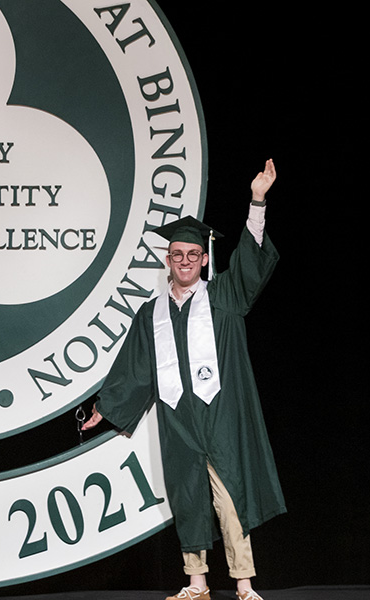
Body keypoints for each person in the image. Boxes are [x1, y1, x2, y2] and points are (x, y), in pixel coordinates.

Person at [81, 160, 283, 600]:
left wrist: (258, 202)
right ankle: (197, 583)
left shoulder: (224, 297)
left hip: (221, 417)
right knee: (188, 498)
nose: (186, 261)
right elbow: (134, 368)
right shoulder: (150, 313)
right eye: (177, 255)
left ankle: (245, 585)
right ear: (167, 260)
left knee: (231, 500)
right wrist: (104, 407)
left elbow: (250, 263)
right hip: (178, 422)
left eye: (194, 255)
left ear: (204, 259)